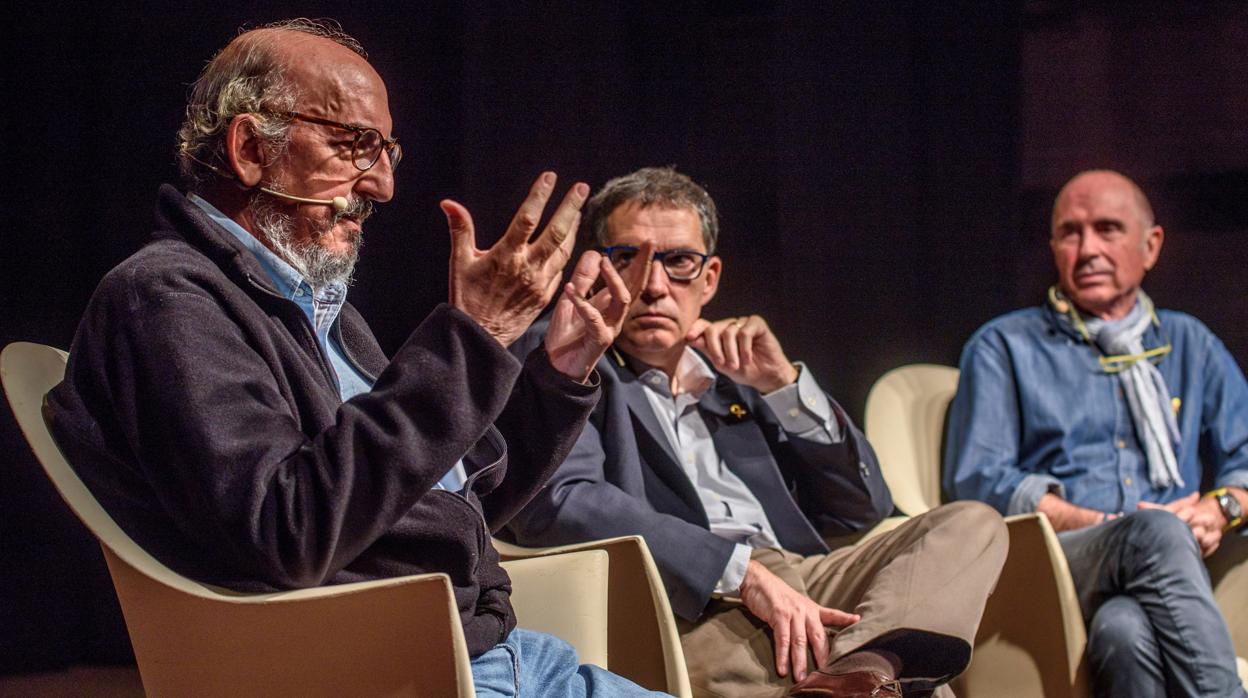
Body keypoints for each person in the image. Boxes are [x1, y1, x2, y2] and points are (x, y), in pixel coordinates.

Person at [46, 19, 666, 697]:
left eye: (386, 153)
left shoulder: (317, 306)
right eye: (354, 146)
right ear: (251, 148)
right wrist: (474, 335)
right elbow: (287, 530)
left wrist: (557, 375)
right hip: (397, 667)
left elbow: (458, 494)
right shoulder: (167, 300)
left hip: (500, 650)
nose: (380, 187)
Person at [506, 167, 1009, 698]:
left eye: (678, 262)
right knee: (923, 690)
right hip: (694, 599)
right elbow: (560, 502)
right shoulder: (566, 353)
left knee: (970, 523)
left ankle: (862, 666)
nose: (653, 286)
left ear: (710, 278)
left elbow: (862, 508)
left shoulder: (737, 373)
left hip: (809, 576)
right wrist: (738, 572)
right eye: (628, 258)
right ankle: (865, 675)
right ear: (600, 268)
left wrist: (783, 386)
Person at [945, 169, 1248, 697]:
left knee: (1123, 632)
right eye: (1070, 232)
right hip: (1058, 558)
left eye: (1108, 229)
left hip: (1166, 570)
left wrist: (1216, 511)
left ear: (1150, 246)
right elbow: (979, 480)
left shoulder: (1189, 344)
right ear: (1053, 247)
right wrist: (1108, 525)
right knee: (1154, 533)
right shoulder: (1003, 347)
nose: (1088, 250)